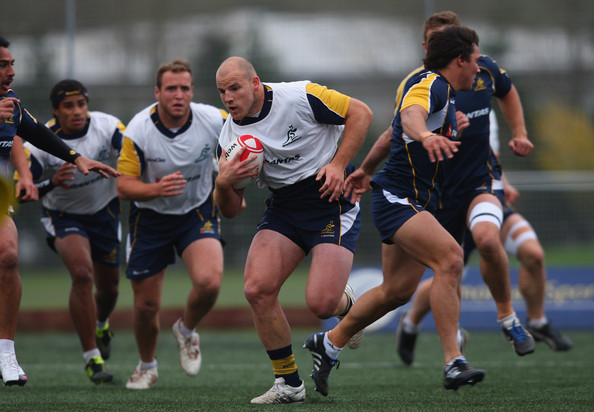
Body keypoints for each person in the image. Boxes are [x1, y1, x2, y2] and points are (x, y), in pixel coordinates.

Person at [303, 25, 485, 396]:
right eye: (476, 61)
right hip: (400, 199)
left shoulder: (446, 95)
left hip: (407, 198)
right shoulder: (430, 83)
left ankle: (330, 343)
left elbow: (391, 134)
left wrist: (366, 170)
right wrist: (426, 134)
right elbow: (412, 116)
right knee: (451, 260)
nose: (479, 68)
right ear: (460, 60)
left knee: (397, 291)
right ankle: (453, 361)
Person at [395, 11, 568, 366]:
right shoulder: (418, 84)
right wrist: (427, 136)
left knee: (493, 241)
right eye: (439, 39)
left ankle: (512, 319)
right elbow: (400, 128)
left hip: (481, 180)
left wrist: (520, 132)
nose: (468, 57)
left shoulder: (483, 69)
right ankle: (418, 329)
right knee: (444, 271)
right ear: (428, 47)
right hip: (439, 191)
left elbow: (508, 91)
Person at [214, 56, 372, 404]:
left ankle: (347, 307)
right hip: (285, 207)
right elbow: (231, 210)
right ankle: (288, 383)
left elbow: (361, 113)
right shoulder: (229, 137)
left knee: (321, 304)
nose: (228, 98)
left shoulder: (301, 95)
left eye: (235, 88)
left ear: (255, 83)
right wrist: (223, 184)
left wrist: (338, 164)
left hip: (331, 200)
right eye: (222, 92)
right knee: (257, 289)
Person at [0, 34, 119, 387]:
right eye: (3, 65)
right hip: (64, 217)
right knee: (81, 274)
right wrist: (42, 181)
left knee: (8, 256)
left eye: (12, 64)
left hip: (100, 212)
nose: (11, 72)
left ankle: (6, 354)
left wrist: (77, 158)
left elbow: (33, 132)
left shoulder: (11, 103)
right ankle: (91, 354)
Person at [116, 59, 226, 390]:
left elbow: (241, 146)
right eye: (171, 88)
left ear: (192, 91)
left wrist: (231, 187)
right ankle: (147, 366)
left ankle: (186, 330)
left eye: (185, 88)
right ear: (157, 92)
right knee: (146, 306)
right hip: (150, 219)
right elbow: (123, 186)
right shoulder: (138, 130)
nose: (178, 95)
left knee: (209, 282)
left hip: (196, 211)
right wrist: (156, 189)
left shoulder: (214, 119)